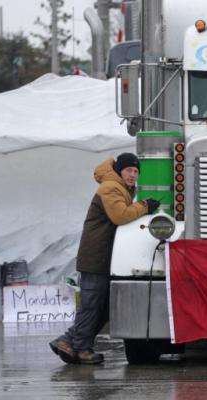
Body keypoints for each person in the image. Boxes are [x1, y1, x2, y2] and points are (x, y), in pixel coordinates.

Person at [49, 154, 160, 364]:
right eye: (129, 170)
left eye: (136, 172)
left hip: (103, 255)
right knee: (92, 304)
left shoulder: (119, 188)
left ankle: (71, 342)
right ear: (119, 170)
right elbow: (120, 215)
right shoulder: (110, 187)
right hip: (96, 255)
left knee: (102, 305)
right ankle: (77, 345)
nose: (133, 175)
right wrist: (144, 206)